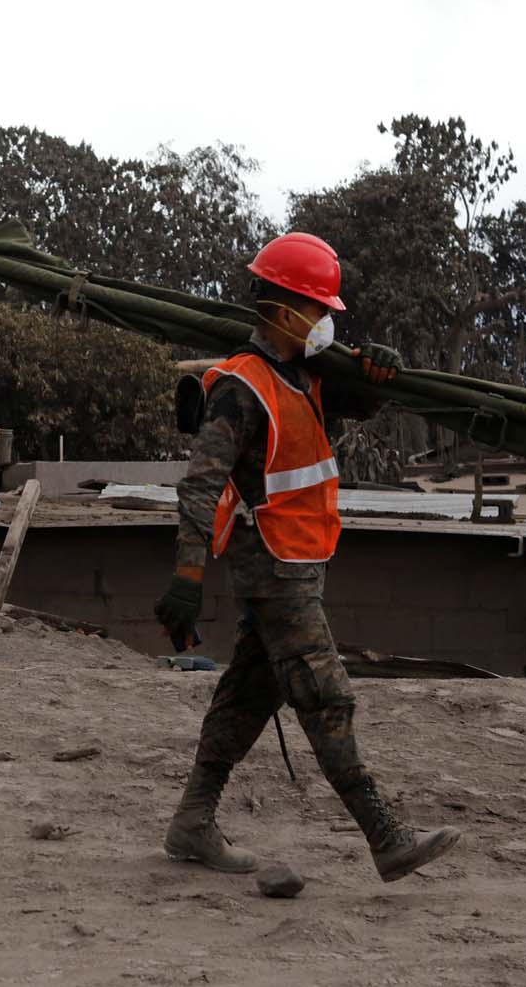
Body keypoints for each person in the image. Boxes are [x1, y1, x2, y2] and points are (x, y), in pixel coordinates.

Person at [154, 231, 461, 883]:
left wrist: (377, 371)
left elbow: (361, 401)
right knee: (324, 696)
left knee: (247, 696)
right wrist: (185, 576)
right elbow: (200, 486)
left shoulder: (308, 377)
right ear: (287, 308)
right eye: (319, 310)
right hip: (273, 567)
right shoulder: (242, 387)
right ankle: (386, 837)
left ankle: (192, 823)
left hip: (300, 559)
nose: (327, 322)